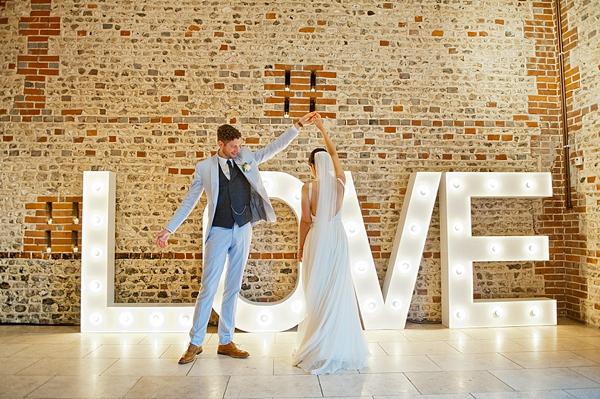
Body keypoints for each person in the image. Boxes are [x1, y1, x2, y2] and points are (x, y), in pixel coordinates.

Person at [156, 112, 317, 364]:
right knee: (208, 287)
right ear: (220, 144)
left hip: (242, 228)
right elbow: (190, 201)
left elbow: (274, 147)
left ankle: (226, 341)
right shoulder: (204, 168)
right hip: (218, 231)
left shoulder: (246, 157)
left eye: (239, 145)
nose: (237, 150)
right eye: (233, 146)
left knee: (232, 287)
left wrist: (296, 126)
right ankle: (195, 342)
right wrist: (169, 229)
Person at [292, 113, 370, 374]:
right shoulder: (340, 184)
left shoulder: (307, 188)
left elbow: (305, 220)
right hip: (337, 239)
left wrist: (301, 247)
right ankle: (336, 346)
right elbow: (335, 155)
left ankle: (318, 345)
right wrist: (322, 128)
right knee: (336, 291)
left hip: (316, 239)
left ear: (311, 166)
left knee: (317, 291)